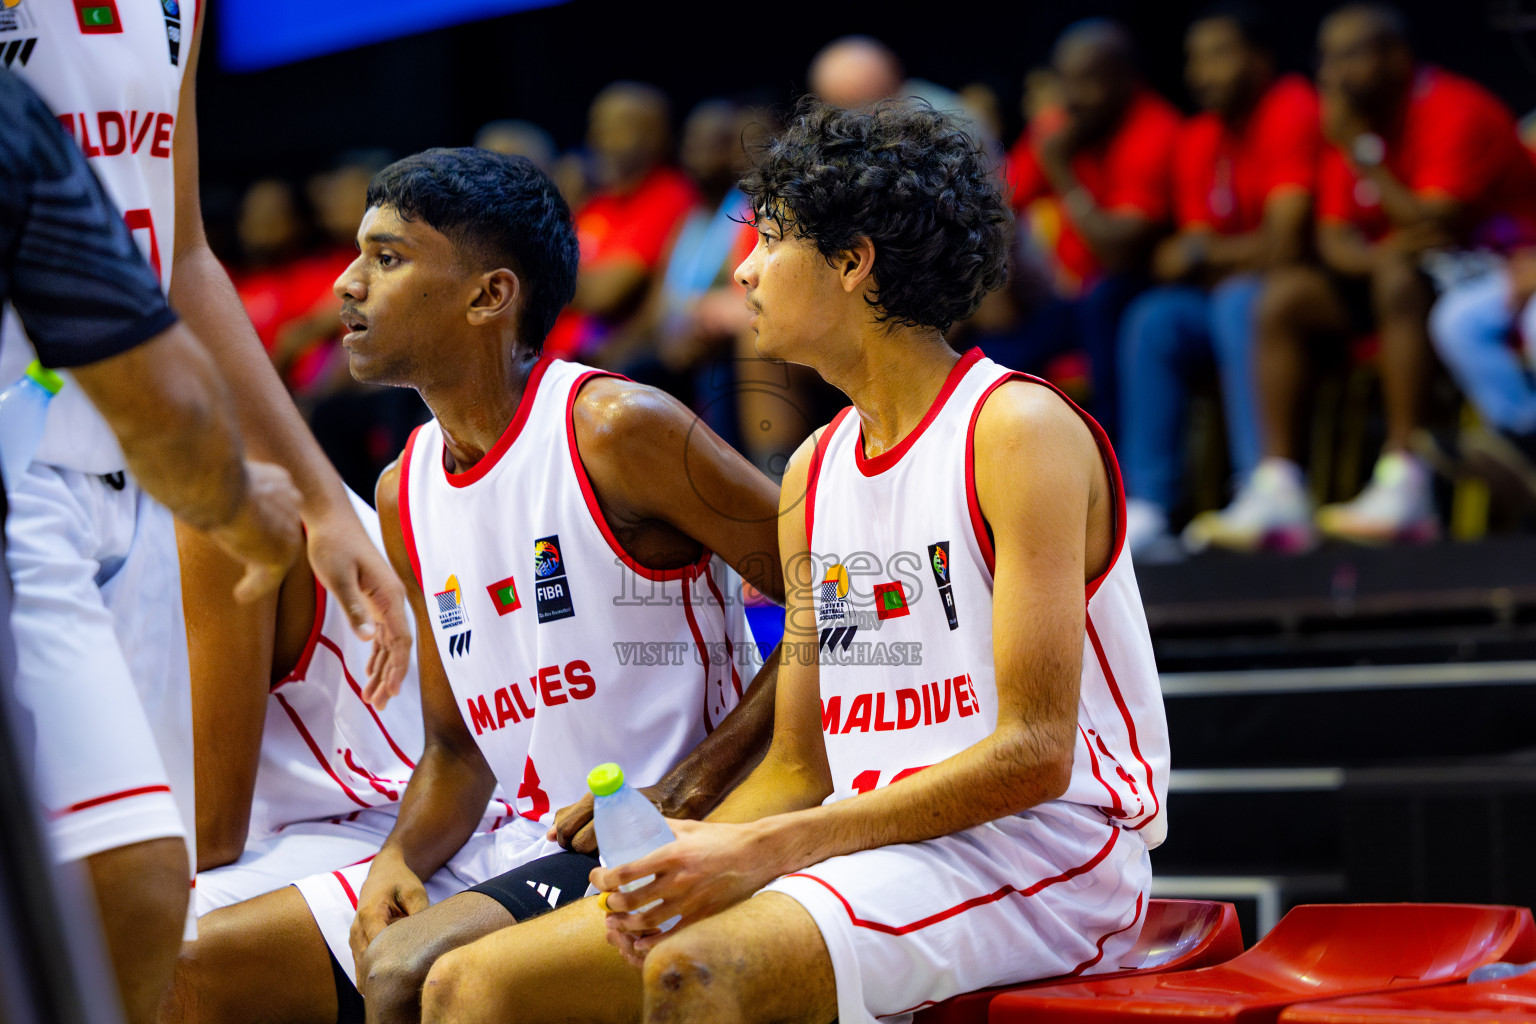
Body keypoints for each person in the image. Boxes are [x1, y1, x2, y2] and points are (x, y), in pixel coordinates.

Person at [411, 99, 1169, 1024]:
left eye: (770, 241)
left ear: (853, 263)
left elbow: (1034, 756)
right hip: (869, 846)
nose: (743, 268)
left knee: (694, 970)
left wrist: (763, 850)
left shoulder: (1014, 428)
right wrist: (683, 853)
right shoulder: (813, 467)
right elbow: (798, 766)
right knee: (471, 981)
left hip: (1042, 851)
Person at [164, 147, 787, 1024]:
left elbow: (840, 592)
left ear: (489, 296)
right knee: (187, 970)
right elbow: (457, 752)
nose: (346, 284)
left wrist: (693, 781)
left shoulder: (615, 429)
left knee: (407, 970)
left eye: (386, 258)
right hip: (517, 838)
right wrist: (398, 859)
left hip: (673, 826)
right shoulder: (403, 489)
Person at [1, 8, 407, 1022]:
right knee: (131, 875)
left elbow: (183, 259)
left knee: (151, 893)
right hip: (25, 460)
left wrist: (321, 498)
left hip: (137, 482)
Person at [1186, 3, 1536, 551]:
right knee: (1286, 300)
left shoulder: (1450, 108)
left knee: (1400, 278)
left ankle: (1406, 478)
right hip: (1410, 285)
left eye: (1352, 56)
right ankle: (1279, 486)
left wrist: (1362, 155)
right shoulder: (1349, 120)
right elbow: (1334, 241)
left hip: (1494, 268)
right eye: (1326, 58)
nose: (1335, 73)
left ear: (1397, 58)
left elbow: (1436, 224)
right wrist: (1390, 251)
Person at [186, 486, 511, 913]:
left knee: (145, 925)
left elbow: (208, 832)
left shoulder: (213, 506)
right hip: (308, 827)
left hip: (422, 826)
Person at [1117, 4, 1320, 555]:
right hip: (1229, 294)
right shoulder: (1199, 135)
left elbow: (1285, 244)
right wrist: (1208, 254)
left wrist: (1207, 254)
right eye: (1195, 59)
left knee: (1236, 300)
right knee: (1154, 317)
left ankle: (1266, 485)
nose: (1202, 73)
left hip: (1302, 300)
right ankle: (1150, 503)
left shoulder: (1289, 107)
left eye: (1219, 55)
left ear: (1260, 60)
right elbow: (1182, 258)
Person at [996, 18, 1181, 439]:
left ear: (1125, 78)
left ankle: (1109, 449)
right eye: (1065, 81)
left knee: (1104, 298)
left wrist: (1062, 171)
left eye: (1087, 82)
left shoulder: (1155, 129)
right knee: (995, 351)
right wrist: (1000, 287)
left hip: (1141, 287)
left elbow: (1117, 254)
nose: (1072, 96)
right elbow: (995, 204)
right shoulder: (1065, 125)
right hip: (1073, 297)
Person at [542, 83, 699, 366]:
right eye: (597, 127)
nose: (597, 139)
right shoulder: (596, 202)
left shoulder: (669, 196)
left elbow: (605, 294)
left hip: (597, 363)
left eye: (616, 129)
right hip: (549, 356)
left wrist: (537, 274)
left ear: (655, 137)